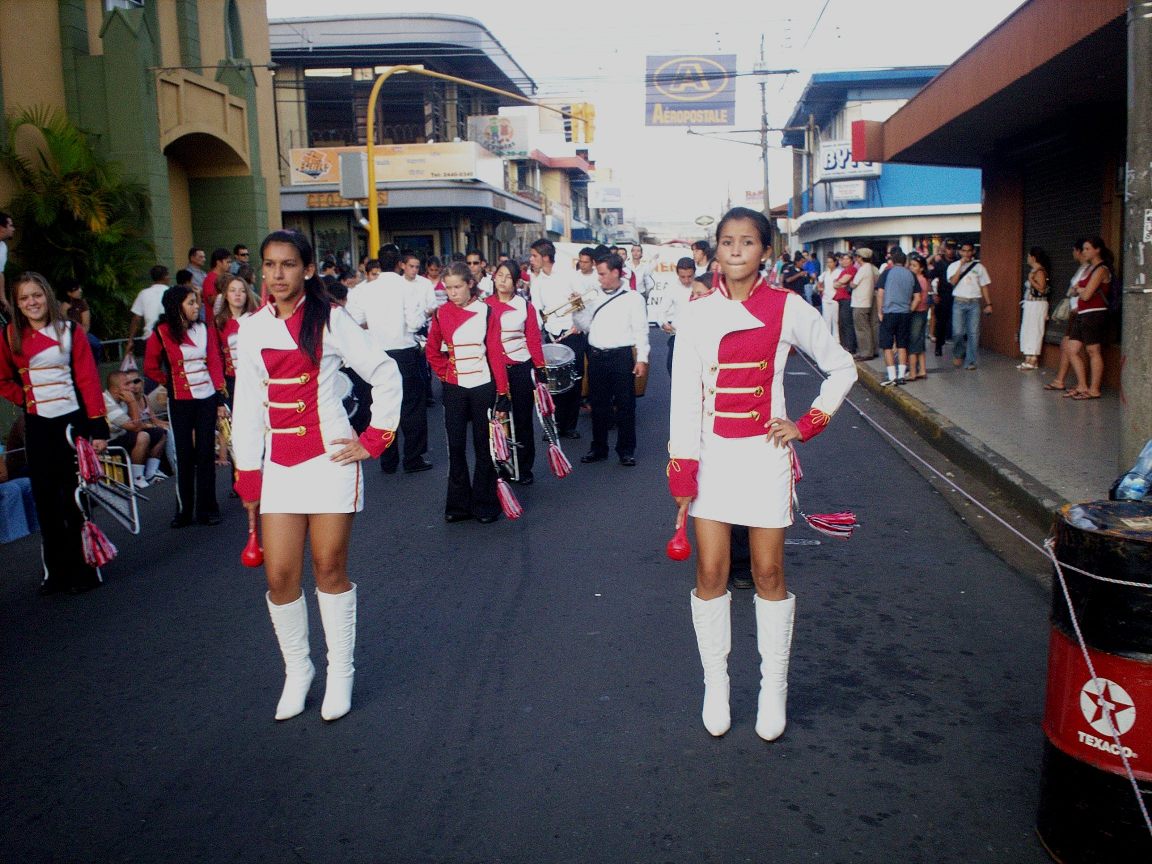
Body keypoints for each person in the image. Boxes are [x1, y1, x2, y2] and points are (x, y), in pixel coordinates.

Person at [668, 207, 856, 740]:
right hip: (713, 458)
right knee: (711, 573)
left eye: (747, 242)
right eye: (726, 242)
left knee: (770, 575)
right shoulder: (698, 313)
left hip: (764, 457)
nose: (735, 251)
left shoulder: (788, 307)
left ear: (764, 251)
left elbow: (842, 366)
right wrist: (683, 466)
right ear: (716, 251)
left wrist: (808, 422)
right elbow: (685, 396)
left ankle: (773, 687)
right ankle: (717, 683)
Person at [231, 229, 403, 722]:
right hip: (279, 464)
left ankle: (340, 671)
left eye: (287, 265)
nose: (277, 275)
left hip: (330, 460)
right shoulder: (252, 329)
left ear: (307, 269)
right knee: (280, 574)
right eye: (269, 265)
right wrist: (249, 473)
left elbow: (385, 373)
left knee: (328, 566)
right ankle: (298, 670)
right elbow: (246, 407)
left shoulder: (331, 318)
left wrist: (374, 439)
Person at [0, 272, 110, 595]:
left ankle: (85, 567)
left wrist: (98, 427)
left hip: (71, 425)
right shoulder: (10, 335)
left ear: (47, 296)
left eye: (36, 295)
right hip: (37, 426)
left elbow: (89, 380)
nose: (31, 303)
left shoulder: (70, 330)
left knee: (74, 498)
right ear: (17, 304)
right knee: (46, 501)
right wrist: (26, 398)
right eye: (24, 298)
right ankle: (56, 572)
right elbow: (4, 379)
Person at [426, 262, 510, 523]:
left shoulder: (487, 312)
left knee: (484, 447)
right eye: (448, 288)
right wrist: (445, 374)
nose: (453, 293)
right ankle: (458, 505)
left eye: (458, 287)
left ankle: (485, 504)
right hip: (454, 388)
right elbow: (432, 352)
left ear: (470, 284)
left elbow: (496, 353)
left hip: (483, 385)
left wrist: (503, 391)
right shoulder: (440, 314)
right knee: (456, 446)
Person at [144, 283, 227, 528]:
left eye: (197, 302)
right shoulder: (161, 332)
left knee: (205, 453)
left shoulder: (205, 329)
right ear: (176, 305)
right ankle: (184, 510)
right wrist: (168, 382)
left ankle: (208, 508)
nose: (196, 306)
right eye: (191, 302)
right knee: (184, 454)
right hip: (180, 399)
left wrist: (220, 394)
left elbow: (214, 361)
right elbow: (150, 366)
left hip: (206, 397)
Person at [346, 246, 431, 474]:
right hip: (403, 353)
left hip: (375, 354)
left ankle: (387, 458)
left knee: (381, 405)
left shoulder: (365, 290)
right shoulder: (407, 289)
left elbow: (355, 320)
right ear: (399, 264)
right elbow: (414, 324)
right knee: (411, 407)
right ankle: (413, 458)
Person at [574, 253, 649, 467]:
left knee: (626, 405)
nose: (599, 278)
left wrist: (642, 359)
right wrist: (577, 311)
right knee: (598, 406)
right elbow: (584, 325)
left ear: (616, 272)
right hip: (597, 356)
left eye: (603, 274)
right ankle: (598, 448)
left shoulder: (634, 298)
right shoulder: (592, 295)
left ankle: (626, 451)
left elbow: (641, 331)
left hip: (621, 356)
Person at [486, 260, 547, 484]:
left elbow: (533, 338)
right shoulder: (484, 306)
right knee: (498, 421)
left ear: (516, 282)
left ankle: (524, 467)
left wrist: (540, 369)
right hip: (493, 371)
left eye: (508, 277)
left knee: (522, 420)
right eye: (499, 275)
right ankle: (501, 464)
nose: (502, 280)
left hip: (521, 368)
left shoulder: (525, 306)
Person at [529, 239, 584, 439]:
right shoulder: (537, 282)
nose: (531, 260)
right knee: (551, 383)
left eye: (534, 255)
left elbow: (582, 301)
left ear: (545, 257)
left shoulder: (569, 275)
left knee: (573, 380)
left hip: (572, 332)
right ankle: (553, 425)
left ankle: (570, 425)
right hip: (552, 335)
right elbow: (535, 311)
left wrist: (577, 324)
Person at [1064, 236, 1113, 400]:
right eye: (1083, 249)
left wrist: (1079, 289)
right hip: (1082, 313)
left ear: (1097, 250)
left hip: (1095, 312)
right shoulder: (1089, 269)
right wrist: (1078, 289)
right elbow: (1073, 290)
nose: (1084, 252)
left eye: (1087, 249)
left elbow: (1086, 295)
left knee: (1093, 350)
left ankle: (1094, 389)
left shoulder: (1101, 269)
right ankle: (1082, 384)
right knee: (1071, 349)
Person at [103, 370, 166, 487]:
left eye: (132, 383)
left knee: (160, 433)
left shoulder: (122, 400)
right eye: (127, 384)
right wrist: (132, 402)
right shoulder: (107, 402)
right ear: (116, 389)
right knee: (143, 436)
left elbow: (136, 423)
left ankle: (151, 473)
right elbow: (136, 427)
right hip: (108, 443)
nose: (131, 386)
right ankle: (136, 478)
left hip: (123, 435)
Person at [1047, 240, 1090, 393]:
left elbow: (1078, 290)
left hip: (1079, 310)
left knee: (1071, 347)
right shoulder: (1082, 269)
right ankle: (1061, 379)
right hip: (1074, 310)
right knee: (1067, 346)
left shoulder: (1089, 270)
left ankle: (1080, 384)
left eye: (1085, 249)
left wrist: (1075, 291)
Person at [876, 249, 920, 386]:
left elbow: (880, 293)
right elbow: (917, 298)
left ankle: (892, 376)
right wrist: (909, 309)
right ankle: (901, 375)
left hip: (889, 312)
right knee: (902, 344)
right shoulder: (911, 274)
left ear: (893, 261)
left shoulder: (887, 273)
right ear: (905, 262)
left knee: (887, 345)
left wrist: (880, 311)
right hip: (905, 313)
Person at [215, 274, 260, 407]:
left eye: (242, 290)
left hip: (255, 378)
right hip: (232, 381)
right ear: (226, 295)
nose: (238, 294)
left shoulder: (257, 319)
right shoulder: (218, 322)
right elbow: (216, 359)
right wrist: (220, 394)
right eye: (233, 290)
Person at [948, 242, 993, 370]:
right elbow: (952, 282)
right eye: (964, 251)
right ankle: (958, 353)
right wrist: (960, 266)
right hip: (959, 302)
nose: (966, 253)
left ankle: (971, 361)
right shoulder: (954, 266)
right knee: (958, 332)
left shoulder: (979, 267)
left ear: (973, 252)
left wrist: (988, 303)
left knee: (973, 333)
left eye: (969, 251)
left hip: (974, 303)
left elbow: (984, 286)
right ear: (960, 252)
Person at [660, 258, 696, 376]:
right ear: (677, 274)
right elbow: (661, 311)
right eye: (682, 277)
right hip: (677, 336)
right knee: (674, 373)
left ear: (694, 272)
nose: (686, 280)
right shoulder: (672, 288)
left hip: (698, 337)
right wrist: (664, 323)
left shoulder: (701, 285)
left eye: (689, 276)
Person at [1018, 246, 1051, 371]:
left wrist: (1031, 280)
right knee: (1028, 330)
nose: (1027, 258)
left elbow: (1042, 288)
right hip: (1030, 304)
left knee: (1035, 330)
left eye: (1028, 256)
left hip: (1037, 305)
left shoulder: (1040, 271)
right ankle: (1028, 357)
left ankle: (1033, 359)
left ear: (1033, 257)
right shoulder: (1034, 270)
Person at [59, 278, 103, 362]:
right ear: (69, 293)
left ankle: (94, 365)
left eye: (80, 288)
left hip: (80, 332)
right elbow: (59, 323)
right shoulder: (60, 304)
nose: (80, 290)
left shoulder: (82, 303)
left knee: (95, 344)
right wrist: (63, 312)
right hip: (63, 334)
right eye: (77, 289)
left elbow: (86, 324)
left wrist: (80, 335)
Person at [128, 265, 171, 351]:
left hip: (150, 337)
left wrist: (130, 340)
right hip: (169, 337)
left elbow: (136, 319)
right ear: (165, 277)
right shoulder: (172, 292)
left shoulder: (143, 293)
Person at [926, 240, 957, 356]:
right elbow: (929, 278)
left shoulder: (958, 262)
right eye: (949, 248)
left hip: (957, 295)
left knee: (957, 324)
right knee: (941, 323)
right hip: (943, 296)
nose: (951, 251)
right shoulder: (940, 263)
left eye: (952, 248)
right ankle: (938, 346)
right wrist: (933, 294)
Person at [906, 254, 931, 381]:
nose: (911, 268)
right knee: (919, 342)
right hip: (923, 312)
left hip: (916, 312)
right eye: (910, 265)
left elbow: (917, 298)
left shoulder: (918, 280)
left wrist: (909, 311)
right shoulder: (924, 279)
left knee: (913, 343)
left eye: (914, 266)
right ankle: (922, 369)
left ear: (921, 268)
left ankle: (912, 372)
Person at [850, 249, 878, 360]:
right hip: (867, 301)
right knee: (868, 327)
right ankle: (871, 350)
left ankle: (865, 352)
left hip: (860, 302)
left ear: (860, 258)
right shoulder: (871, 268)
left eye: (857, 257)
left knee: (861, 329)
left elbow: (853, 284)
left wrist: (850, 283)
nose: (856, 259)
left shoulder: (863, 269)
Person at [834, 252, 857, 354]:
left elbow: (842, 282)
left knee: (847, 323)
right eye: (843, 259)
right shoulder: (843, 271)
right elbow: (835, 284)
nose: (844, 261)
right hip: (840, 299)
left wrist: (839, 283)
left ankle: (850, 346)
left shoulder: (852, 269)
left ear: (851, 260)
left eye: (847, 259)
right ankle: (845, 345)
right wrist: (839, 283)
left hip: (847, 299)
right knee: (841, 323)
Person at [201, 248, 233, 316]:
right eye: (228, 262)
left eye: (230, 262)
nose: (230, 265)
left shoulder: (226, 276)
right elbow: (211, 301)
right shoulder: (210, 278)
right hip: (215, 321)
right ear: (218, 262)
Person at [818, 254, 840, 341]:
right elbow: (819, 282)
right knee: (826, 319)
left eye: (831, 262)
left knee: (835, 320)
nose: (829, 264)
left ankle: (836, 340)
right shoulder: (825, 273)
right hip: (826, 298)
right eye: (827, 262)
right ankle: (828, 339)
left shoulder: (839, 272)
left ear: (835, 262)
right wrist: (820, 288)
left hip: (835, 299)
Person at [0, 212, 13, 324]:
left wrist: (3, 298)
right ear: (2, 228)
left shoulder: (3, 247)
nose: (13, 229)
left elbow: (0, 273)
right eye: (10, 225)